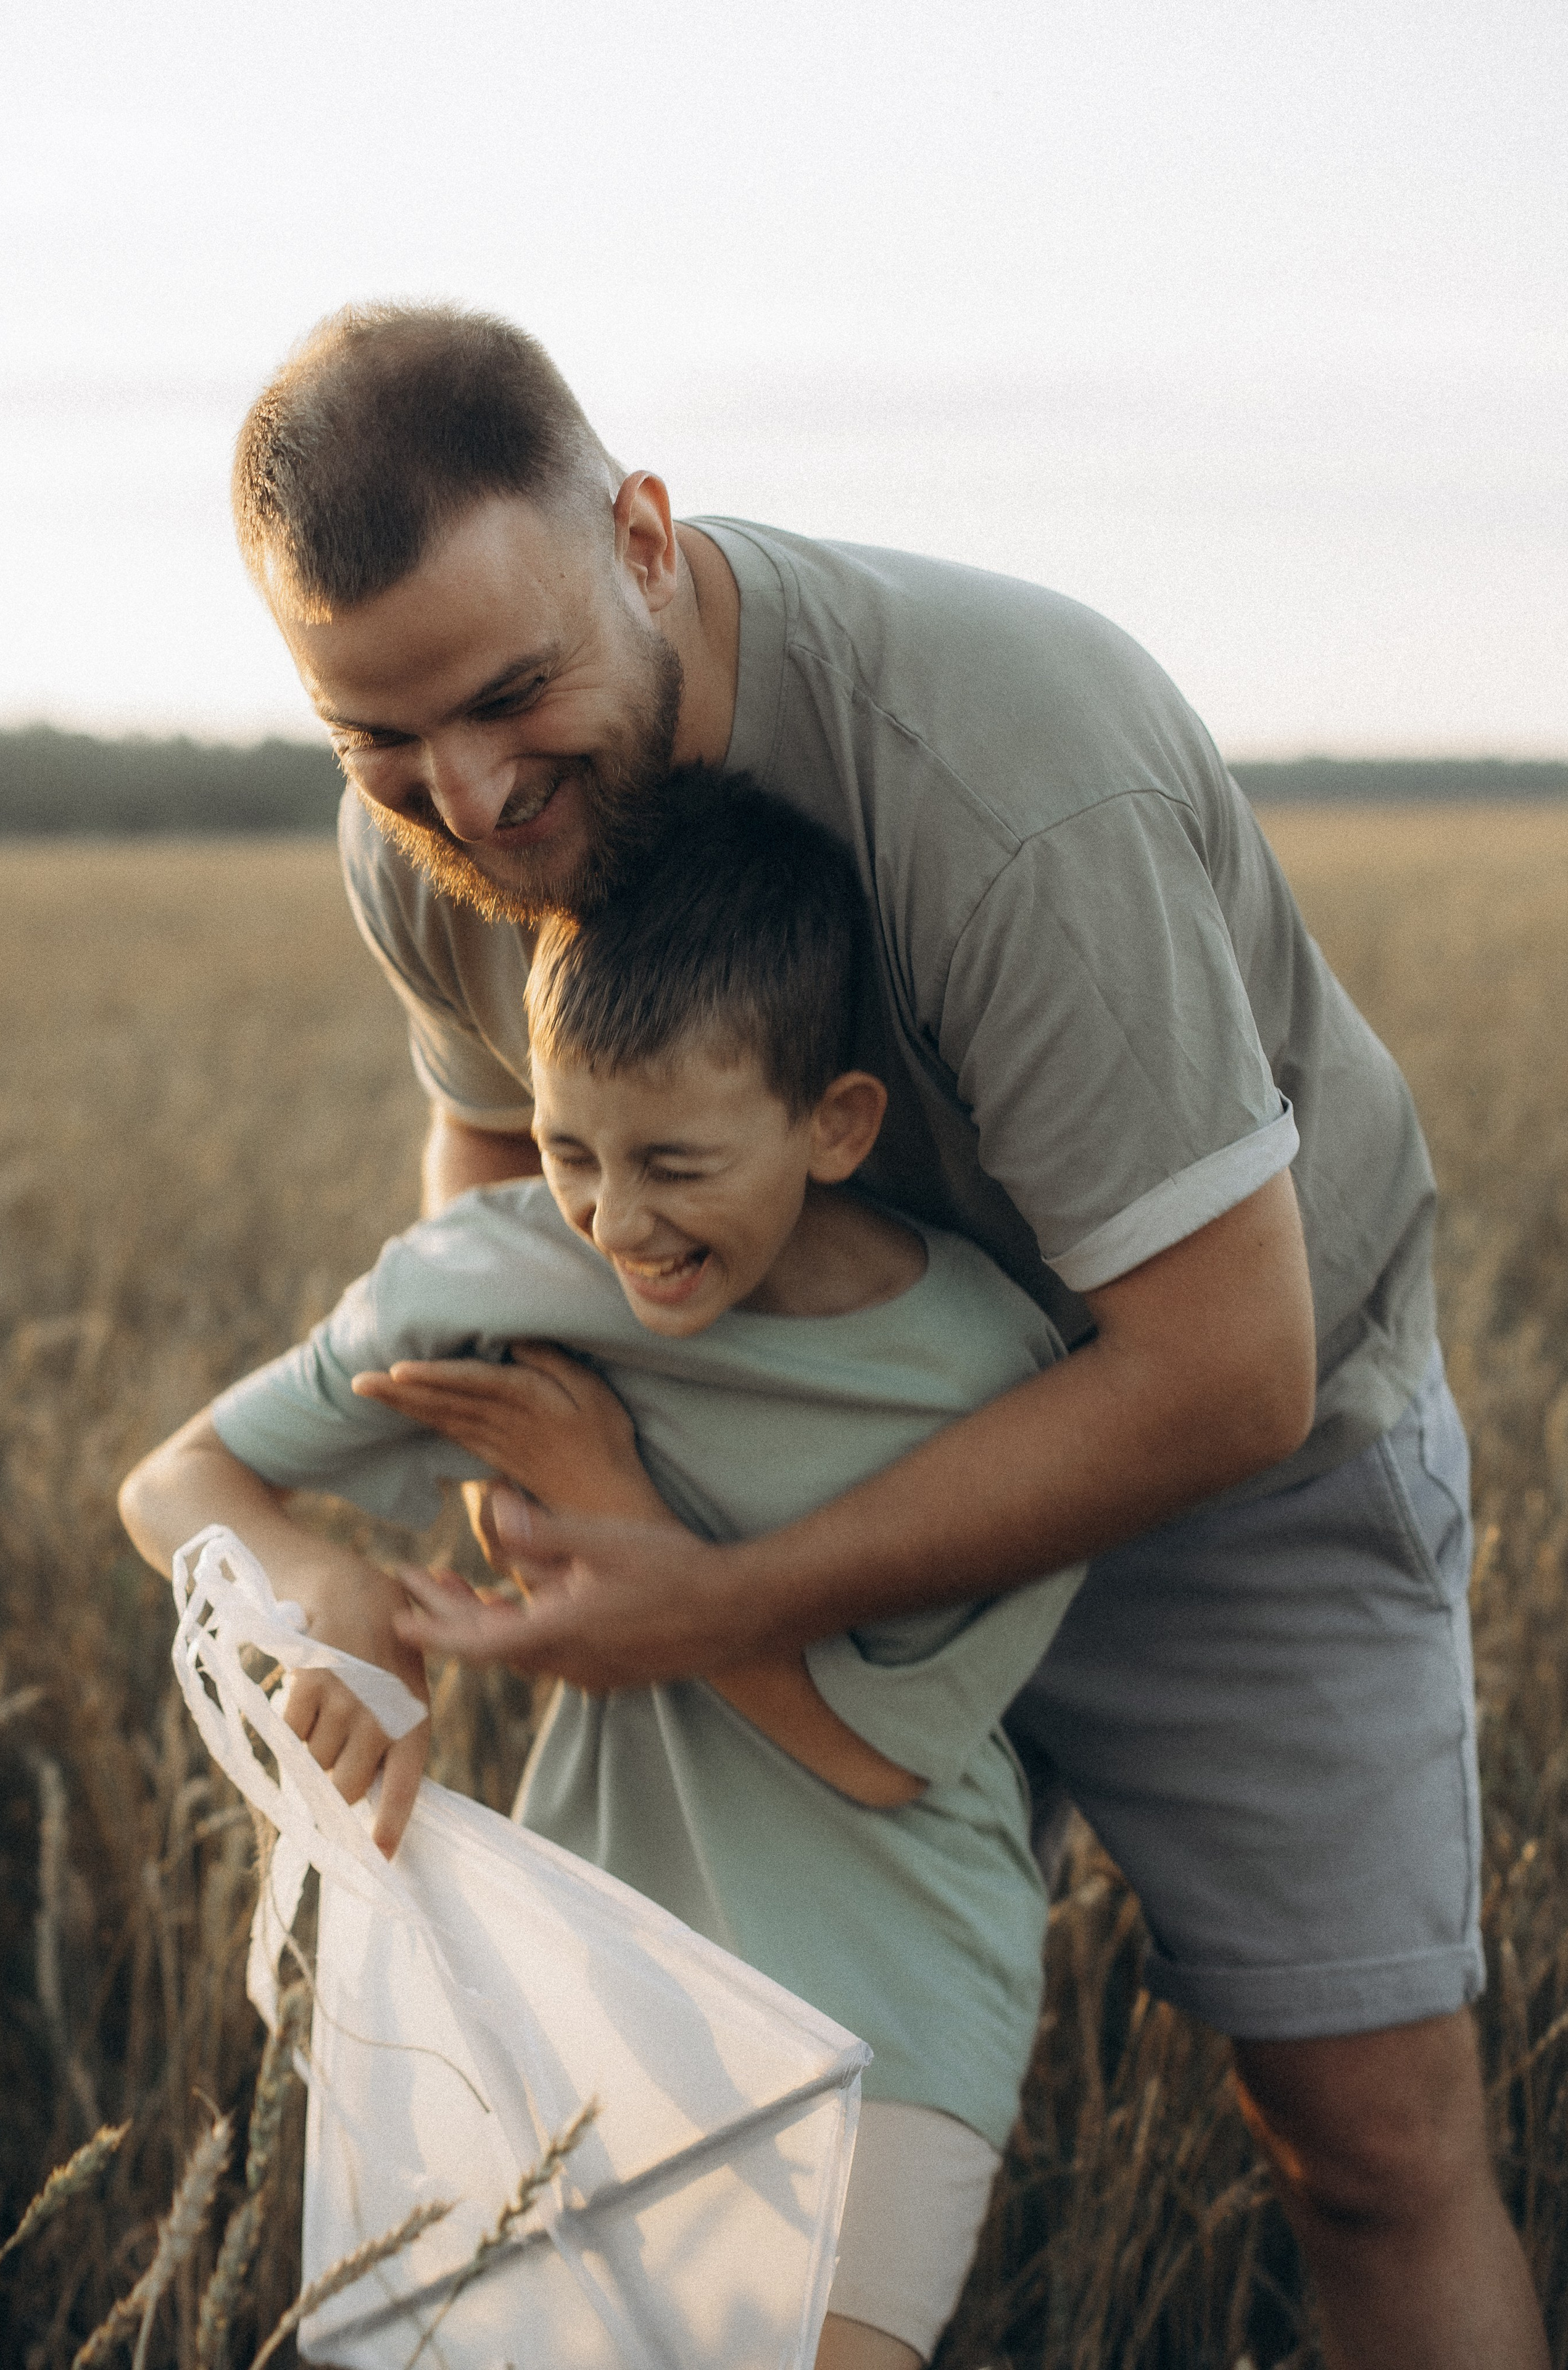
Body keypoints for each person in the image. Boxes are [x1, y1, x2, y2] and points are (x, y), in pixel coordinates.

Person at [218, 302, 1546, 2369]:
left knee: (1369, 2146)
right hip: (750, 1465)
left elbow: (1228, 1365)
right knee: (694, 2160)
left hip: (1229, 1474)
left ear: (642, 539)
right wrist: (527, 1512)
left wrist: (715, 1604)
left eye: (511, 693)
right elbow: (498, 1196)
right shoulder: (430, 837)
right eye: (377, 737)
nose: (466, 795)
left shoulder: (1004, 771)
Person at [121, 782, 1089, 2369]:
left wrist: (615, 1504)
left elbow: (877, 1756)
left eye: (676, 1163)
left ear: (836, 1125)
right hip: (593, 1958)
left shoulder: (988, 1373)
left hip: (899, 1986)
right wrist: (323, 1587)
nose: (615, 1222)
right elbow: (175, 1481)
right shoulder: (497, 1270)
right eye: (569, 1149)